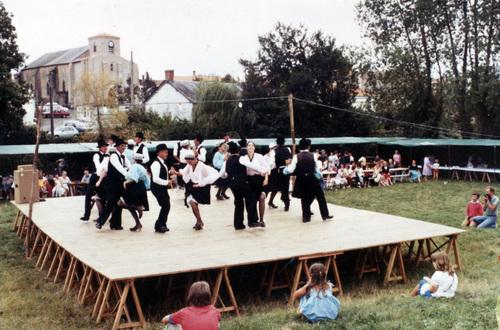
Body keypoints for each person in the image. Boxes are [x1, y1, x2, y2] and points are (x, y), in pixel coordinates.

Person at [285, 138, 333, 222]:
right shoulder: (313, 155)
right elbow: (316, 168)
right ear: (308, 146)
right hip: (313, 179)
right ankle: (325, 215)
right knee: (321, 197)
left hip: (302, 179)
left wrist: (285, 169)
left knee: (305, 198)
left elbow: (290, 170)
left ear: (300, 147)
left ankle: (306, 217)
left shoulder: (296, 156)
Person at [171, 150, 220, 230]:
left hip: (202, 187)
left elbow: (208, 178)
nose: (189, 163)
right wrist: (175, 172)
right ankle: (199, 221)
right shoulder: (189, 165)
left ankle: (199, 221)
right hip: (192, 187)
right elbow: (184, 173)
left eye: (190, 161)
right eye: (187, 162)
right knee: (192, 203)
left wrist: (199, 184)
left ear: (195, 159)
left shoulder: (202, 166)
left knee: (193, 203)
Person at [96, 138, 131, 230]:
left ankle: (116, 224)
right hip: (111, 184)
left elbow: (129, 166)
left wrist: (132, 174)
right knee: (111, 202)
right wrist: (128, 175)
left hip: (120, 183)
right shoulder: (114, 156)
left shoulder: (124, 157)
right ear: (118, 147)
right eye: (122, 146)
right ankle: (100, 222)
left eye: (125, 146)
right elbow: (120, 169)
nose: (124, 148)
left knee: (119, 203)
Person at [222, 141, 257, 230]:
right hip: (241, 183)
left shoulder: (228, 160)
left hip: (232, 184)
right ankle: (252, 220)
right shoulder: (240, 159)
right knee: (251, 199)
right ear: (238, 150)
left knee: (238, 203)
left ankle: (238, 224)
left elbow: (225, 173)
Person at [240, 141, 270, 227]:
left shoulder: (259, 156)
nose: (250, 147)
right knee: (250, 201)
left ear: (254, 147)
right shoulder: (244, 158)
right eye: (248, 145)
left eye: (252, 145)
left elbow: (267, 168)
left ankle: (261, 219)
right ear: (246, 148)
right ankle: (252, 220)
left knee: (261, 198)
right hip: (249, 181)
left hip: (260, 179)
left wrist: (266, 179)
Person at [120, 154, 151, 232]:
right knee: (129, 206)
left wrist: (125, 183)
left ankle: (137, 208)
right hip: (141, 187)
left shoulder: (135, 166)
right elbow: (147, 181)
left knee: (124, 203)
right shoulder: (143, 167)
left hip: (135, 187)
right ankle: (138, 224)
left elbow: (134, 178)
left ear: (134, 159)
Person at [150, 144, 171, 233]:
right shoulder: (156, 163)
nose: (167, 154)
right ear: (160, 153)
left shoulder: (162, 163)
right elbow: (155, 179)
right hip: (157, 188)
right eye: (166, 152)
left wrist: (170, 172)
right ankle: (159, 225)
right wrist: (167, 182)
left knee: (167, 205)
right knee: (165, 205)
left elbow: (163, 174)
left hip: (162, 188)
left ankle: (162, 224)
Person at [268, 136, 291, 211]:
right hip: (286, 169)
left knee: (275, 187)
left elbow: (271, 163)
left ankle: (272, 201)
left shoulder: (274, 151)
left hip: (277, 170)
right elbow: (289, 160)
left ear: (277, 143)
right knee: (285, 187)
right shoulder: (288, 149)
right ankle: (286, 204)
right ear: (284, 142)